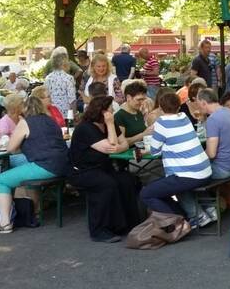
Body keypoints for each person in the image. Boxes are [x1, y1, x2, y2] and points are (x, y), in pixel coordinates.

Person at [0, 97, 71, 234]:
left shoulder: (25, 123)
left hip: (45, 166)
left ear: (25, 109)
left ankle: (5, 223)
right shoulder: (51, 121)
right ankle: (28, 211)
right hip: (63, 164)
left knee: (2, 180)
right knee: (21, 170)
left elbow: (11, 148)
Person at [68, 96, 140, 242]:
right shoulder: (86, 128)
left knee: (127, 180)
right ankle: (99, 229)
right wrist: (111, 126)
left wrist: (117, 145)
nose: (113, 111)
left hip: (102, 167)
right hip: (82, 170)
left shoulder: (107, 125)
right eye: (110, 109)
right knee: (106, 184)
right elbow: (111, 147)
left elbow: (123, 143)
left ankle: (127, 223)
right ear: (102, 111)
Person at [141, 93, 211, 218]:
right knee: (169, 186)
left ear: (160, 108)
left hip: (187, 174)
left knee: (147, 194)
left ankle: (178, 221)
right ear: (179, 107)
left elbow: (154, 151)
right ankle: (193, 216)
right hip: (204, 169)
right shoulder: (184, 117)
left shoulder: (161, 123)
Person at [196, 88, 230, 211]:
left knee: (187, 176)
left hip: (221, 168)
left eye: (199, 104)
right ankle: (227, 200)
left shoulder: (213, 119)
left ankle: (207, 210)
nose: (199, 108)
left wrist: (196, 158)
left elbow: (211, 153)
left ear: (204, 102)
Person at [114, 80, 153, 145]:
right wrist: (143, 134)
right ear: (128, 97)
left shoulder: (139, 112)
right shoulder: (119, 116)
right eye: (139, 99)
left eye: (143, 99)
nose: (142, 102)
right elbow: (121, 142)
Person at [45, 52, 77, 117]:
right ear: (64, 64)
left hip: (52, 113)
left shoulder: (48, 78)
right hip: (66, 114)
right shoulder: (68, 78)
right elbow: (72, 99)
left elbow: (46, 96)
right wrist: (74, 114)